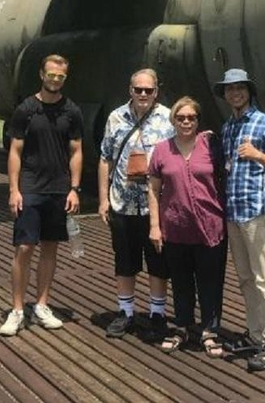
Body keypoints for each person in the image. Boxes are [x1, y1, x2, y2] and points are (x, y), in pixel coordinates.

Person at [0, 54, 83, 337]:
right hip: (31, 187)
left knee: (50, 248)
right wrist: (14, 189)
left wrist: (74, 188)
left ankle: (42, 305)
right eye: (51, 75)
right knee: (24, 248)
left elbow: (76, 151)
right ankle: (17, 309)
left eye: (60, 76)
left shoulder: (71, 111)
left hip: (58, 188)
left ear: (65, 78)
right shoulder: (26, 109)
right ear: (42, 74)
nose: (55, 80)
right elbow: (15, 151)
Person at [214, 68, 265, 372]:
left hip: (257, 213)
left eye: (240, 89)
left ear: (249, 92)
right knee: (246, 279)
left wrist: (258, 155)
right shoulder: (228, 127)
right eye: (230, 90)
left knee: (263, 280)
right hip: (234, 213)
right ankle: (255, 335)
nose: (235, 94)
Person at [98, 68, 173, 340]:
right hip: (123, 202)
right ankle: (125, 311)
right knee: (125, 260)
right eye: (138, 89)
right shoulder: (116, 117)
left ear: (156, 92)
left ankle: (157, 312)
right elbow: (105, 158)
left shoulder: (168, 118)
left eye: (148, 90)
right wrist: (103, 199)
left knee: (158, 261)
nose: (143, 94)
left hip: (157, 205)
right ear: (130, 90)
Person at [148, 97, 226, 357]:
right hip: (176, 227)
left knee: (210, 282)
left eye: (191, 117)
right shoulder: (161, 150)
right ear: (173, 120)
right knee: (181, 282)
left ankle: (210, 331)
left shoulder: (211, 145)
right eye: (180, 117)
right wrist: (155, 226)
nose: (186, 121)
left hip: (210, 225)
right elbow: (154, 189)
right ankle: (181, 326)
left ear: (198, 120)